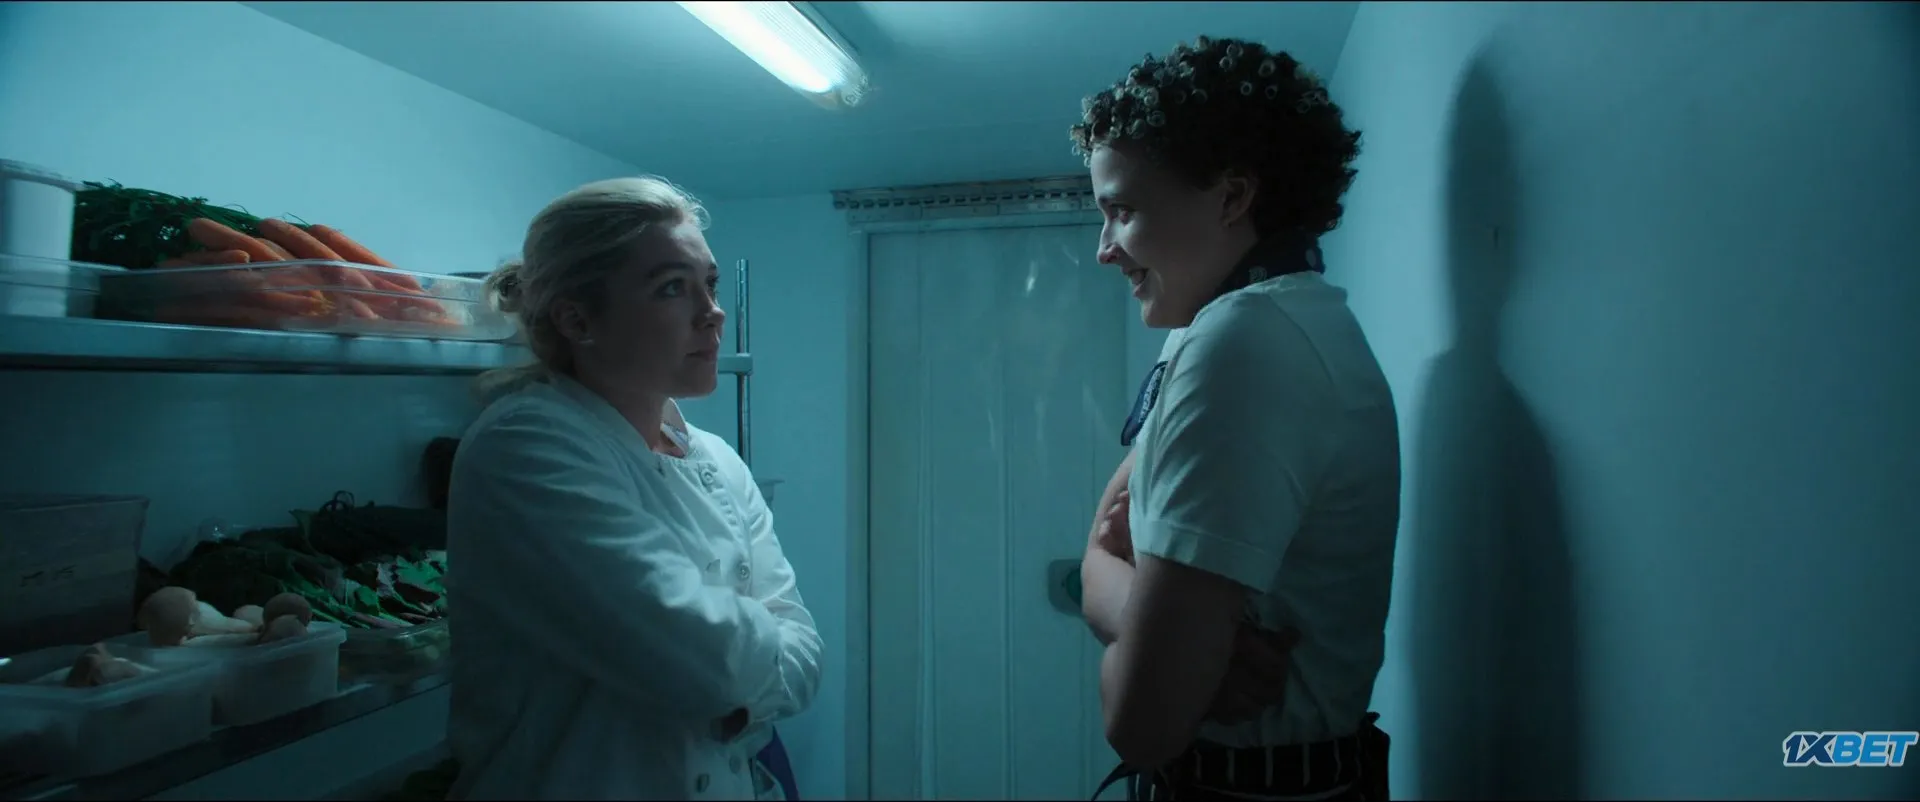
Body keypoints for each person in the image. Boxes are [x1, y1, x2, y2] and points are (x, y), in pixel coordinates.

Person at [1070, 36, 1401, 801]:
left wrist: (1143, 638)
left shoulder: (1243, 342)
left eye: (1122, 211)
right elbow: (1093, 555)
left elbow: (1139, 724)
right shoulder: (1265, 325)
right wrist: (1163, 633)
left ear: (1230, 199)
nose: (1104, 250)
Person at [442, 176, 823, 801]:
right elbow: (703, 659)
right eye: (672, 287)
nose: (712, 312)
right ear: (577, 319)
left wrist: (736, 681)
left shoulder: (719, 459)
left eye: (710, 284)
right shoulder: (525, 445)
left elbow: (805, 651)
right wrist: (739, 681)